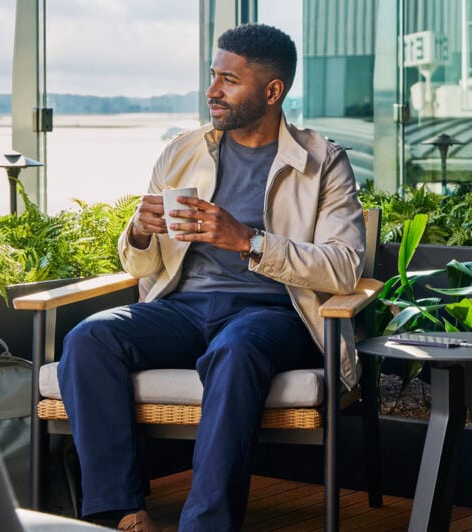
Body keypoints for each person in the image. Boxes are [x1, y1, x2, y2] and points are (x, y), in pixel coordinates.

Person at [56, 23, 366, 532]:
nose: (212, 91)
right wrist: (138, 232)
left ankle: (204, 526)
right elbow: (141, 268)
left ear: (272, 91)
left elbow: (345, 266)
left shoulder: (321, 161)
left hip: (271, 313)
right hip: (181, 309)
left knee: (235, 351)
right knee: (90, 337)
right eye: (212, 76)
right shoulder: (182, 151)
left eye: (228, 79)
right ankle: (125, 513)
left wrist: (248, 241)